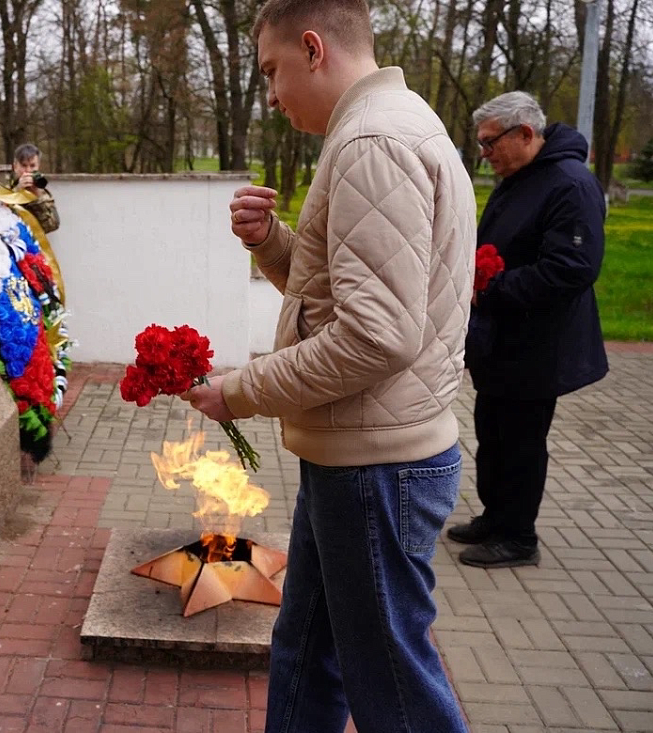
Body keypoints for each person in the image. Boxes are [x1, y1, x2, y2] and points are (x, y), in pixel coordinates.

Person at [184, 1, 475, 731]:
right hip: (362, 454)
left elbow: (376, 337)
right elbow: (345, 300)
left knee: (394, 693)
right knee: (309, 652)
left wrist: (238, 392)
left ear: (313, 48)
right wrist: (272, 243)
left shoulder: (372, 141)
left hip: (375, 468)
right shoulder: (388, 123)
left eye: (272, 70)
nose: (271, 94)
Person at [448, 92, 608, 568]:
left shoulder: (570, 184)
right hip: (504, 338)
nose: (485, 153)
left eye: (490, 142)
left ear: (524, 133)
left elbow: (572, 268)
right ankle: (495, 517)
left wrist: (491, 288)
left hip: (538, 343)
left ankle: (518, 537)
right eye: (481, 144)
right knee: (493, 431)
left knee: (520, 441)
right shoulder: (521, 177)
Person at [9, 143, 60, 233]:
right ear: (15, 167)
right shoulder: (6, 190)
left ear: (38, 166)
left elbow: (52, 225)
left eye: (32, 166)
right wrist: (17, 192)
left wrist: (36, 198)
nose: (28, 170)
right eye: (24, 166)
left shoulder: (41, 192)